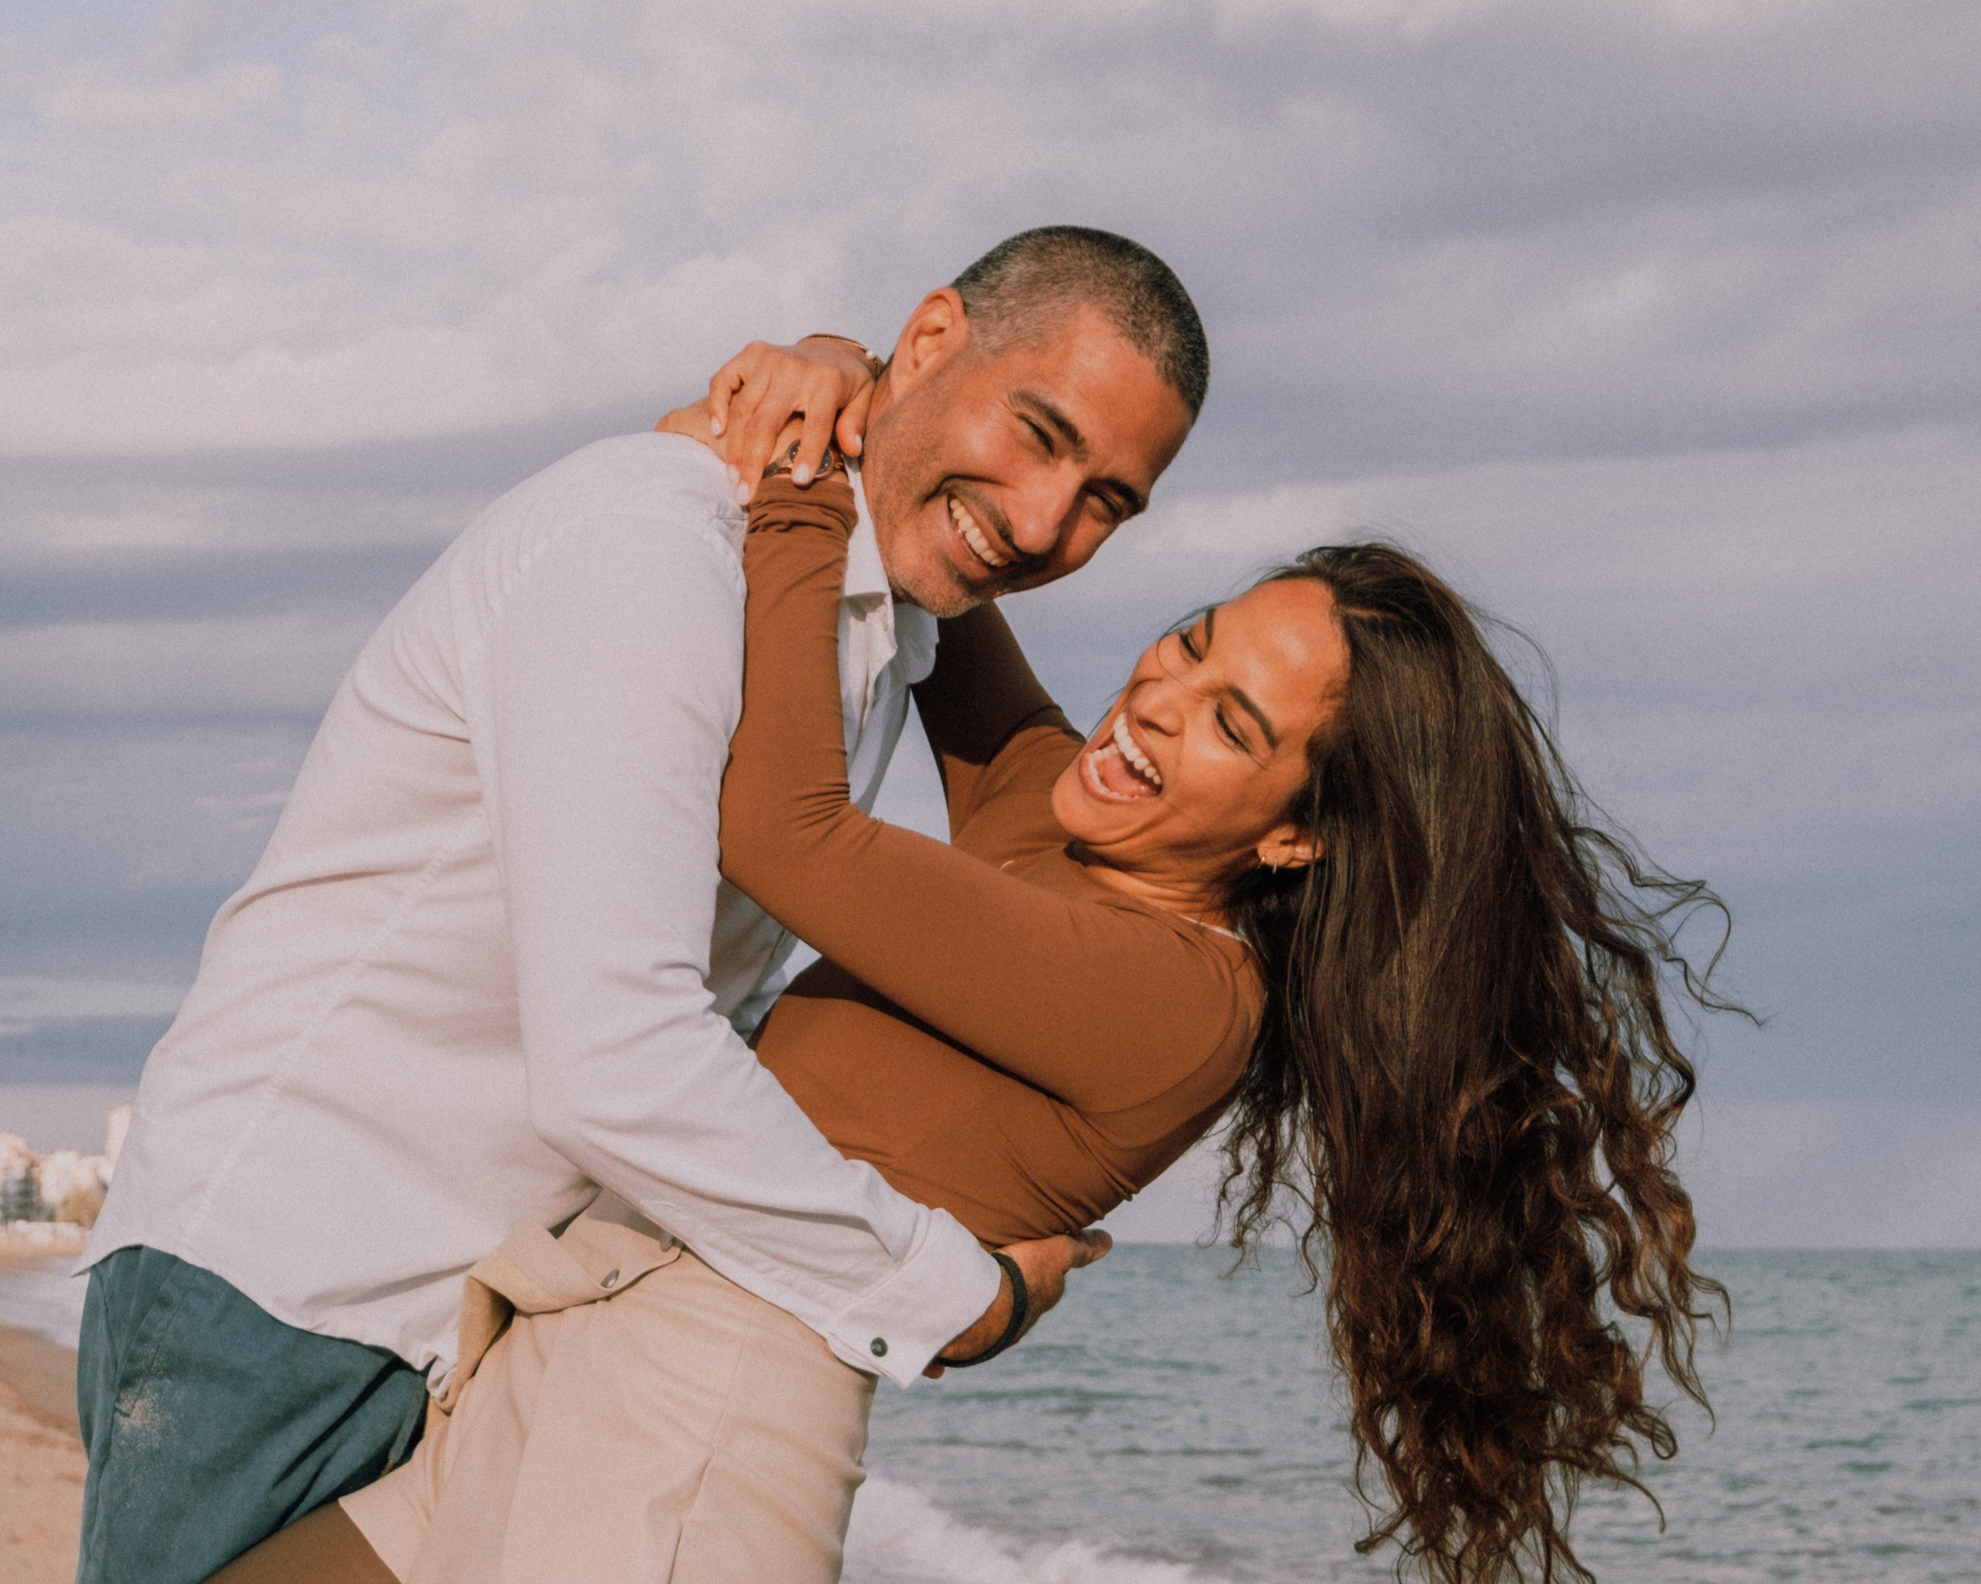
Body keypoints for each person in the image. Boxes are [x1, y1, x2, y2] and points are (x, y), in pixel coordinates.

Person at [214, 437, 1738, 1583]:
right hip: (566, 1332)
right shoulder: (1053, 818)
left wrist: (801, 482)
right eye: (1194, 639)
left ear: (1296, 833)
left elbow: (784, 834)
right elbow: (950, 552)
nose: (1154, 702)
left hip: (699, 1421)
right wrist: (845, 384)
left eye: (1231, 726)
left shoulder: (1176, 997)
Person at [72, 227, 1208, 1584]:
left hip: (470, 1317)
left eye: (1106, 501)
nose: (1041, 522)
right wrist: (948, 1293)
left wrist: (837, 370)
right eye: (1037, 432)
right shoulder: (656, 547)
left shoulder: (879, 619)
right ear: (931, 340)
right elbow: (617, 1057)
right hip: (289, 1288)